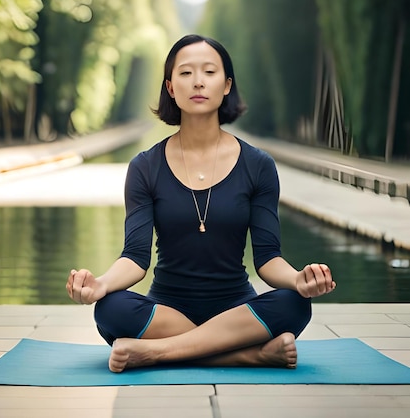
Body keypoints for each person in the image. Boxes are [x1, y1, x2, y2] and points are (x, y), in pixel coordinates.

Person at [66, 34, 336, 373]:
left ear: (226, 85)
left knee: (296, 304)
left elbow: (267, 258)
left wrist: (299, 280)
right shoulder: (144, 166)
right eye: (185, 73)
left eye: (209, 72)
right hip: (165, 310)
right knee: (109, 308)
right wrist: (101, 284)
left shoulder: (258, 165)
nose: (197, 82)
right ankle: (249, 354)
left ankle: (156, 353)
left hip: (237, 308)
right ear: (169, 87)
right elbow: (136, 258)